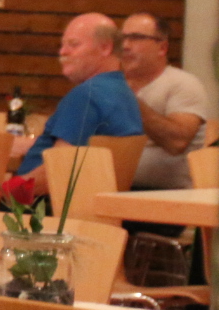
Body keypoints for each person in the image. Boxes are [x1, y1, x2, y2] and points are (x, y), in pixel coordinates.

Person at [13, 12, 144, 180]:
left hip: (46, 197)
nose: (63, 52)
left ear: (105, 48)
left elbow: (59, 171)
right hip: (99, 194)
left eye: (73, 44)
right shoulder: (124, 93)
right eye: (62, 45)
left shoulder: (86, 96)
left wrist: (7, 190)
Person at [117, 11, 208, 189]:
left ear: (162, 48)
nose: (125, 46)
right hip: (111, 190)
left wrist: (128, 98)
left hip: (168, 195)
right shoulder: (109, 86)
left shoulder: (183, 84)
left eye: (136, 38)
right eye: (122, 38)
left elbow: (177, 142)